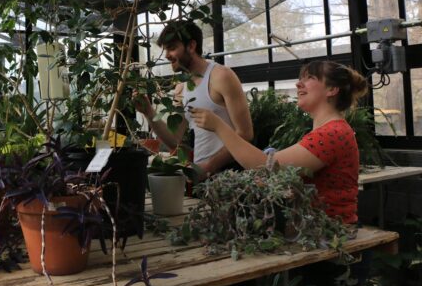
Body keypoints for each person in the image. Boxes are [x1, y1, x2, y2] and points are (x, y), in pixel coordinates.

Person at [190, 59, 368, 224]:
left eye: (310, 78)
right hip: (316, 231)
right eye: (300, 79)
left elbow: (267, 167)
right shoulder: (329, 131)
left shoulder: (332, 134)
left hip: (332, 237)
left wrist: (220, 127)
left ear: (332, 89)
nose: (298, 84)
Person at [135, 20, 253, 176]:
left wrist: (209, 166)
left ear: (191, 46)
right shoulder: (181, 87)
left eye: (171, 48)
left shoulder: (221, 76)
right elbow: (174, 141)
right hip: (201, 176)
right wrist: (149, 112)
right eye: (165, 49)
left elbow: (245, 134)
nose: (167, 55)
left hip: (231, 174)